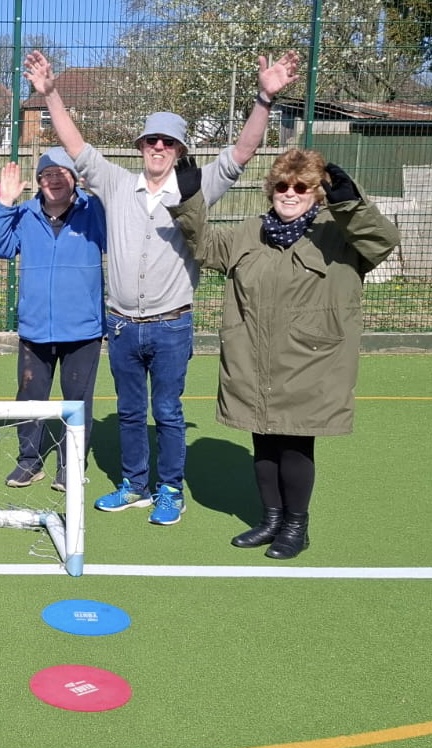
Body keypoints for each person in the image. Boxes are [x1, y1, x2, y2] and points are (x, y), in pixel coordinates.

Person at [24, 49, 301, 525]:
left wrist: (263, 99)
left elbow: (241, 153)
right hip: (123, 326)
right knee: (130, 412)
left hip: (172, 325)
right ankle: (135, 484)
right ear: (140, 146)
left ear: (179, 150)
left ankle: (171, 488)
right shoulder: (113, 183)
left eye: (167, 142)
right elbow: (76, 148)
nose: (158, 148)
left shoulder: (196, 189)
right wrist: (50, 96)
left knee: (167, 413)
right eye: (151, 140)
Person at [169, 151, 399, 558]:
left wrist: (350, 202)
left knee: (295, 445)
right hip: (253, 359)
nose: (289, 194)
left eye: (300, 187)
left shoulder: (340, 233)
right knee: (264, 442)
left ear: (316, 193)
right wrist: (190, 198)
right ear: (270, 189)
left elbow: (382, 242)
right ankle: (271, 519)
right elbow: (205, 246)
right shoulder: (250, 231)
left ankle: (297, 526)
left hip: (311, 362)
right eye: (281, 186)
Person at [0, 149, 107, 492]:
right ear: (38, 181)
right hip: (35, 328)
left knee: (77, 401)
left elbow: (117, 238)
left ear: (74, 179)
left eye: (61, 173)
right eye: (46, 174)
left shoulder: (93, 211)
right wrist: (5, 203)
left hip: (82, 329)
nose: (53, 179)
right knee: (29, 398)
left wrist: (99, 191)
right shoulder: (24, 214)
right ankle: (29, 462)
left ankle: (70, 466)